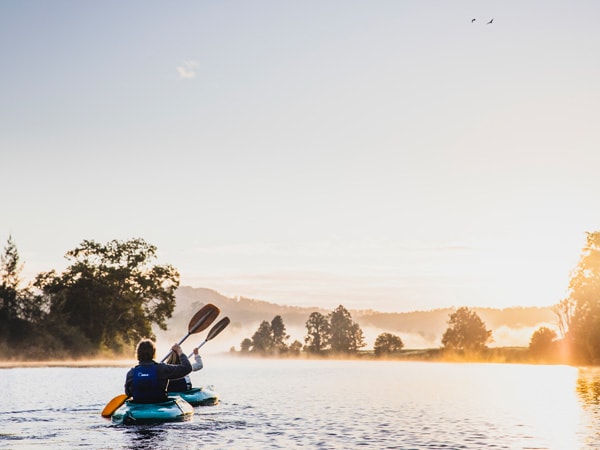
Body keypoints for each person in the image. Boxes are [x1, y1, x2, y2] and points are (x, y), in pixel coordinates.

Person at [125, 339, 192, 403]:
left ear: (138, 353)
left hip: (137, 407)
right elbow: (187, 368)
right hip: (159, 404)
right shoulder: (162, 368)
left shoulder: (131, 372)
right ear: (153, 353)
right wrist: (179, 351)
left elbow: (128, 393)